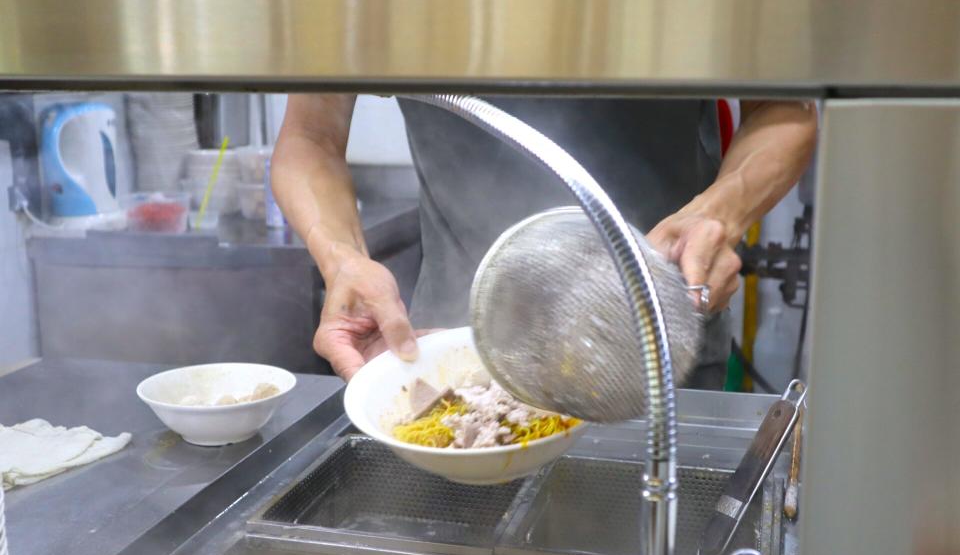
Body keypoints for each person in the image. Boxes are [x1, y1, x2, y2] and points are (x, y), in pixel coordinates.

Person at [272, 96, 817, 385]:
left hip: (655, 335)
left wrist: (719, 214)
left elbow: (783, 110)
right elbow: (310, 135)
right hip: (456, 344)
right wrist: (341, 259)